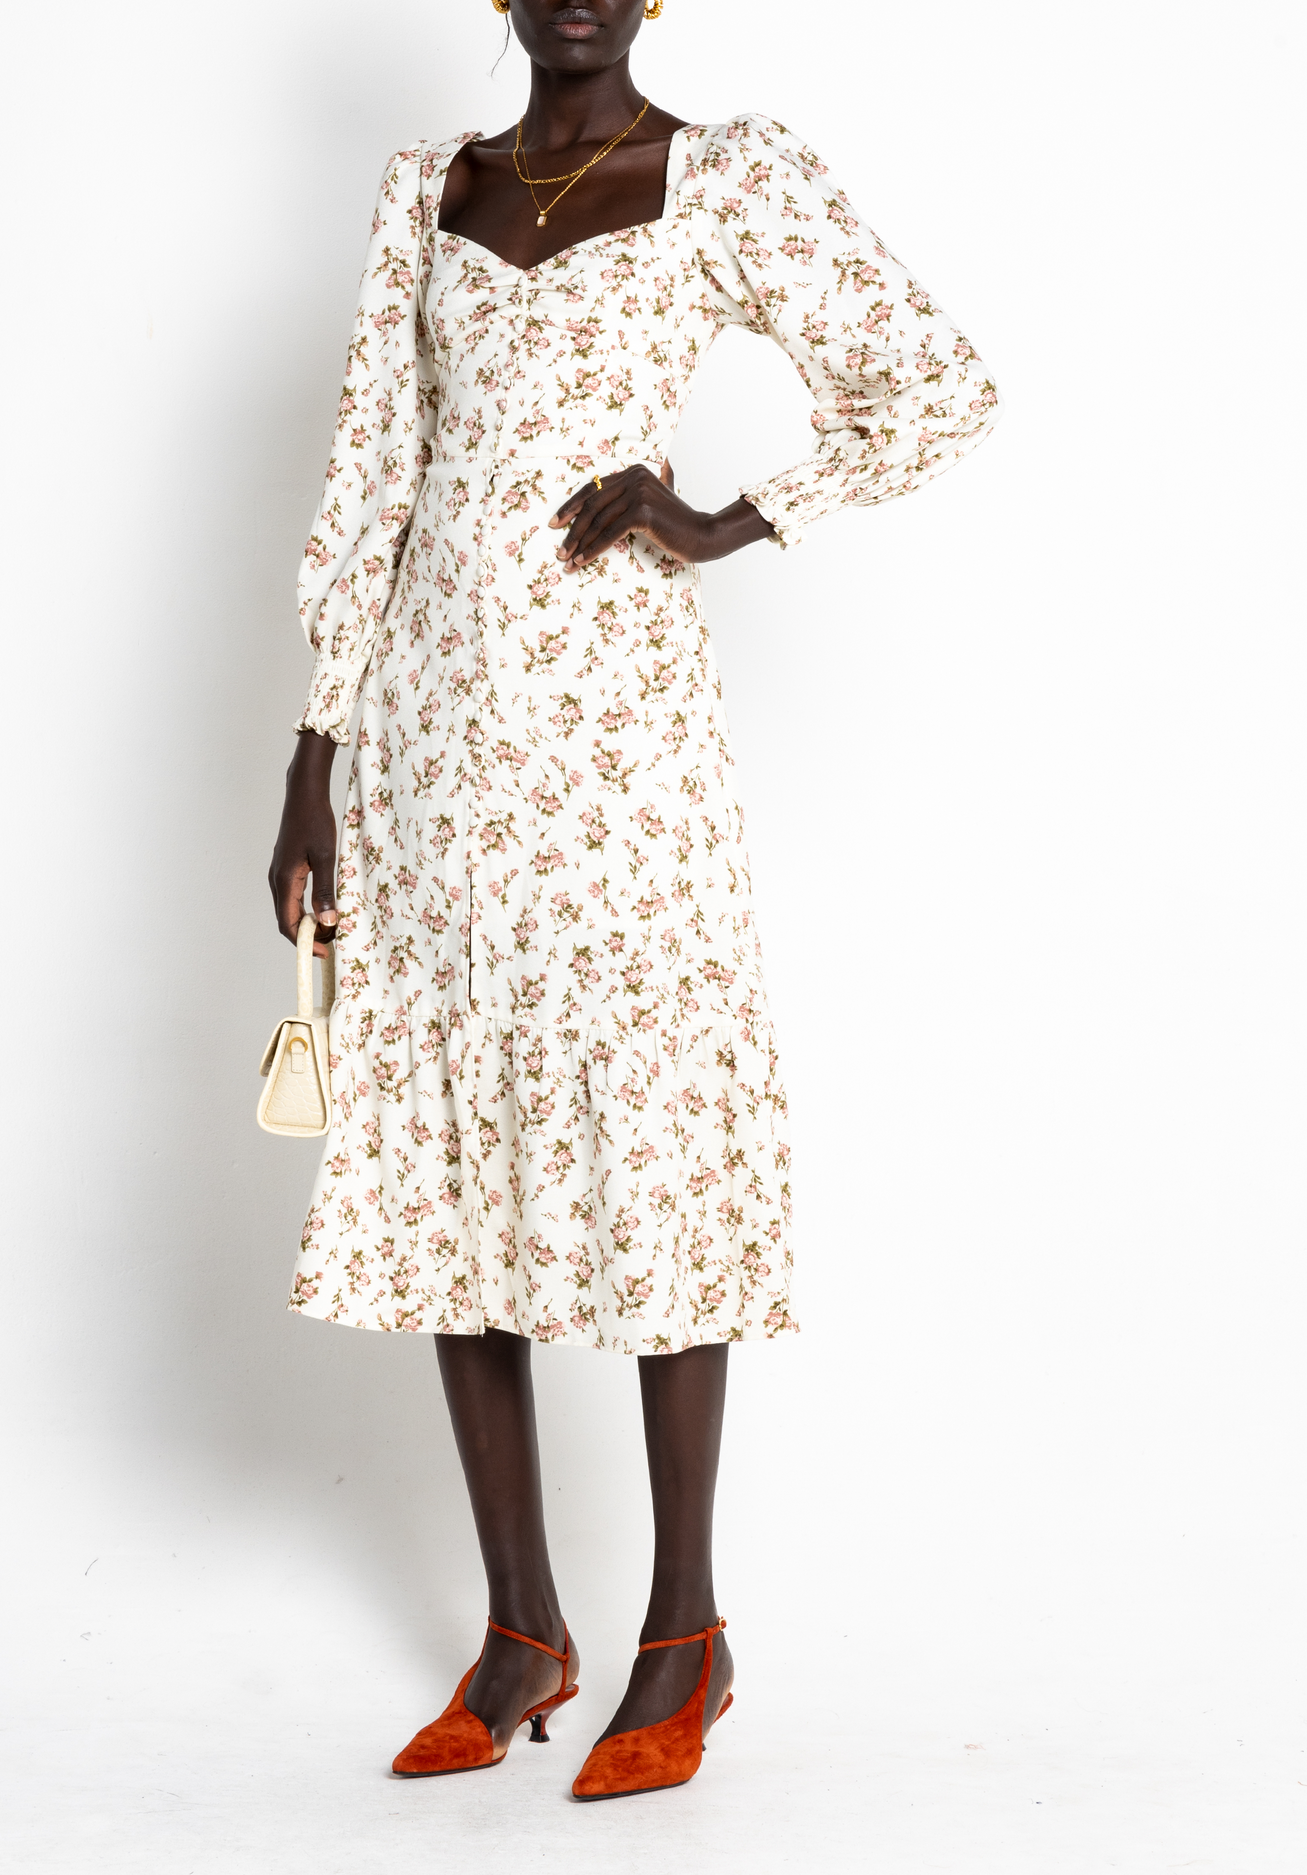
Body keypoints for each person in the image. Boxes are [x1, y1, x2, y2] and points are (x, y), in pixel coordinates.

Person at [268, 0, 999, 1801]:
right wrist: (316, 748)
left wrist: (730, 516)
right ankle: (522, 1625)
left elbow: (934, 380)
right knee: (455, 1162)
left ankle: (686, 1628)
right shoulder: (425, 192)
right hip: (431, 749)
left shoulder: (725, 175)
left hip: (620, 750)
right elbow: (372, 475)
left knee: (654, 1133)